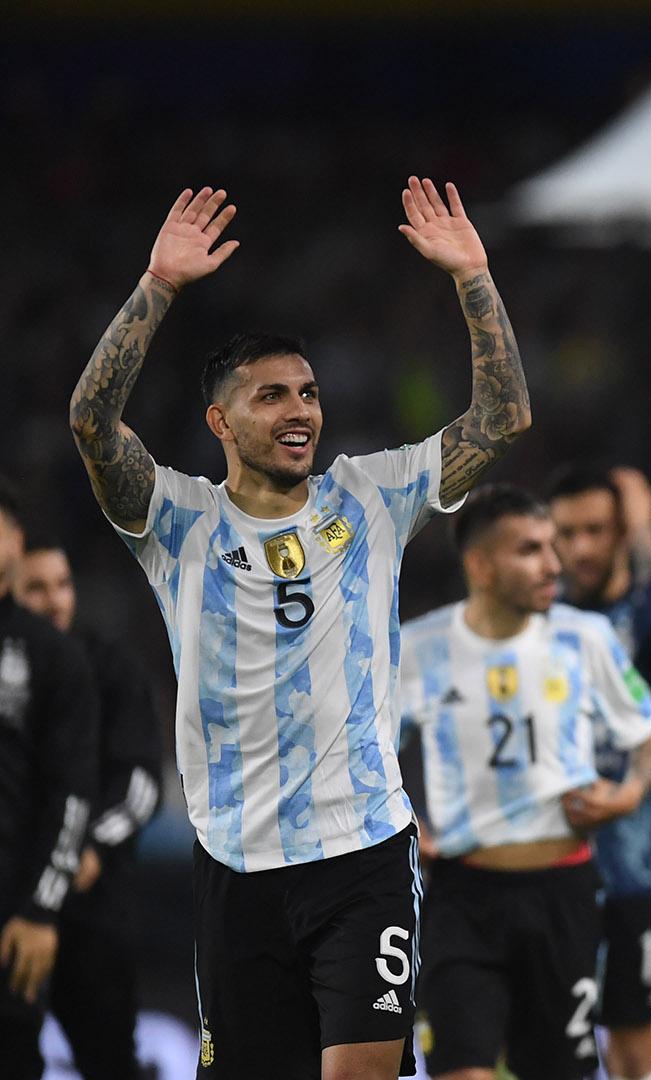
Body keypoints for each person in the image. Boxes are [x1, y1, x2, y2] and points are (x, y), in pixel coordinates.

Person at [67, 178, 530, 1079]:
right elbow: (91, 421)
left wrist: (473, 276)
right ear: (220, 421)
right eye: (272, 396)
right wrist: (157, 287)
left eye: (309, 393)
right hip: (235, 862)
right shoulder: (177, 520)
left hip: (363, 852)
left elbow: (503, 418)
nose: (301, 411)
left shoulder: (374, 495)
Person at [398, 486, 651, 1080]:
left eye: (552, 546)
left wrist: (626, 795)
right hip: (461, 897)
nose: (554, 564)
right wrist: (402, 821)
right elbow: (366, 751)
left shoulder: (583, 638)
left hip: (563, 893)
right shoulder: (419, 648)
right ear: (480, 566)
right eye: (530, 550)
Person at [547, 464, 651, 1080]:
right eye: (567, 533)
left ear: (621, 533)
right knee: (549, 1035)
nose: (582, 548)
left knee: (633, 1041)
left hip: (640, 863)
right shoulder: (540, 620)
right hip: (549, 861)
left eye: (597, 530)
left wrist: (643, 529)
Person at [13, 539, 164, 1080]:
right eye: (36, 588)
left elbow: (141, 785)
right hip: (13, 905)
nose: (55, 601)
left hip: (91, 906)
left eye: (63, 584)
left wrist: (91, 844)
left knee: (109, 1062)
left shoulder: (110, 668)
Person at [0, 482, 100, 1077]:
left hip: (12, 916)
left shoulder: (54, 657)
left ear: (16, 542)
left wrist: (40, 910)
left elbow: (71, 793)